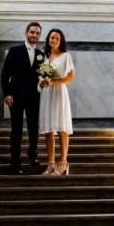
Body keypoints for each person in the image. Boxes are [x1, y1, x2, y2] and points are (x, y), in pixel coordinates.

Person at [1, 22, 44, 175]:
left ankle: (32, 154)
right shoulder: (14, 51)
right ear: (26, 33)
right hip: (16, 97)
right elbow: (5, 74)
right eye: (32, 32)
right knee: (17, 130)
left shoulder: (41, 54)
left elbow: (41, 76)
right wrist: (7, 93)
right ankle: (15, 163)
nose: (34, 35)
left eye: (37, 33)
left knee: (34, 128)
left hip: (33, 97)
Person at [38, 28, 75, 176]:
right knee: (48, 129)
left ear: (61, 41)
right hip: (47, 95)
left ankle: (63, 163)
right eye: (52, 38)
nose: (54, 40)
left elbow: (71, 78)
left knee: (61, 128)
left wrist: (53, 81)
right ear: (48, 39)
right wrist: (42, 83)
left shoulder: (66, 56)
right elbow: (42, 78)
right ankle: (51, 164)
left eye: (57, 38)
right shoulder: (45, 58)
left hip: (60, 92)